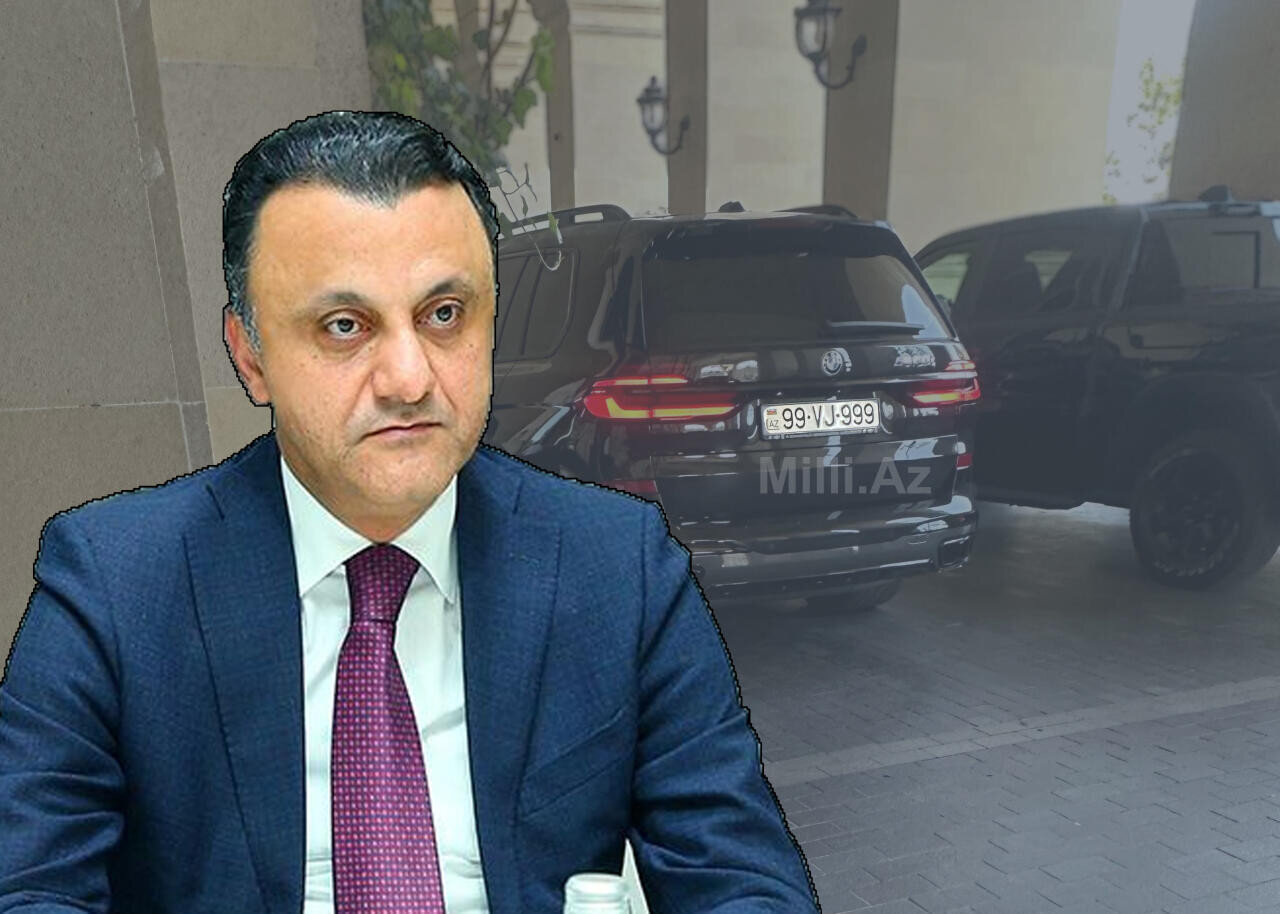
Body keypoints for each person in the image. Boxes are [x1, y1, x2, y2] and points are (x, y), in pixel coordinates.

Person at [0, 111, 819, 913]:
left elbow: (744, 880)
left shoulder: (618, 566)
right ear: (250, 357)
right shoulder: (115, 587)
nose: (409, 379)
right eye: (345, 326)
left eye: (444, 315)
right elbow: (29, 884)